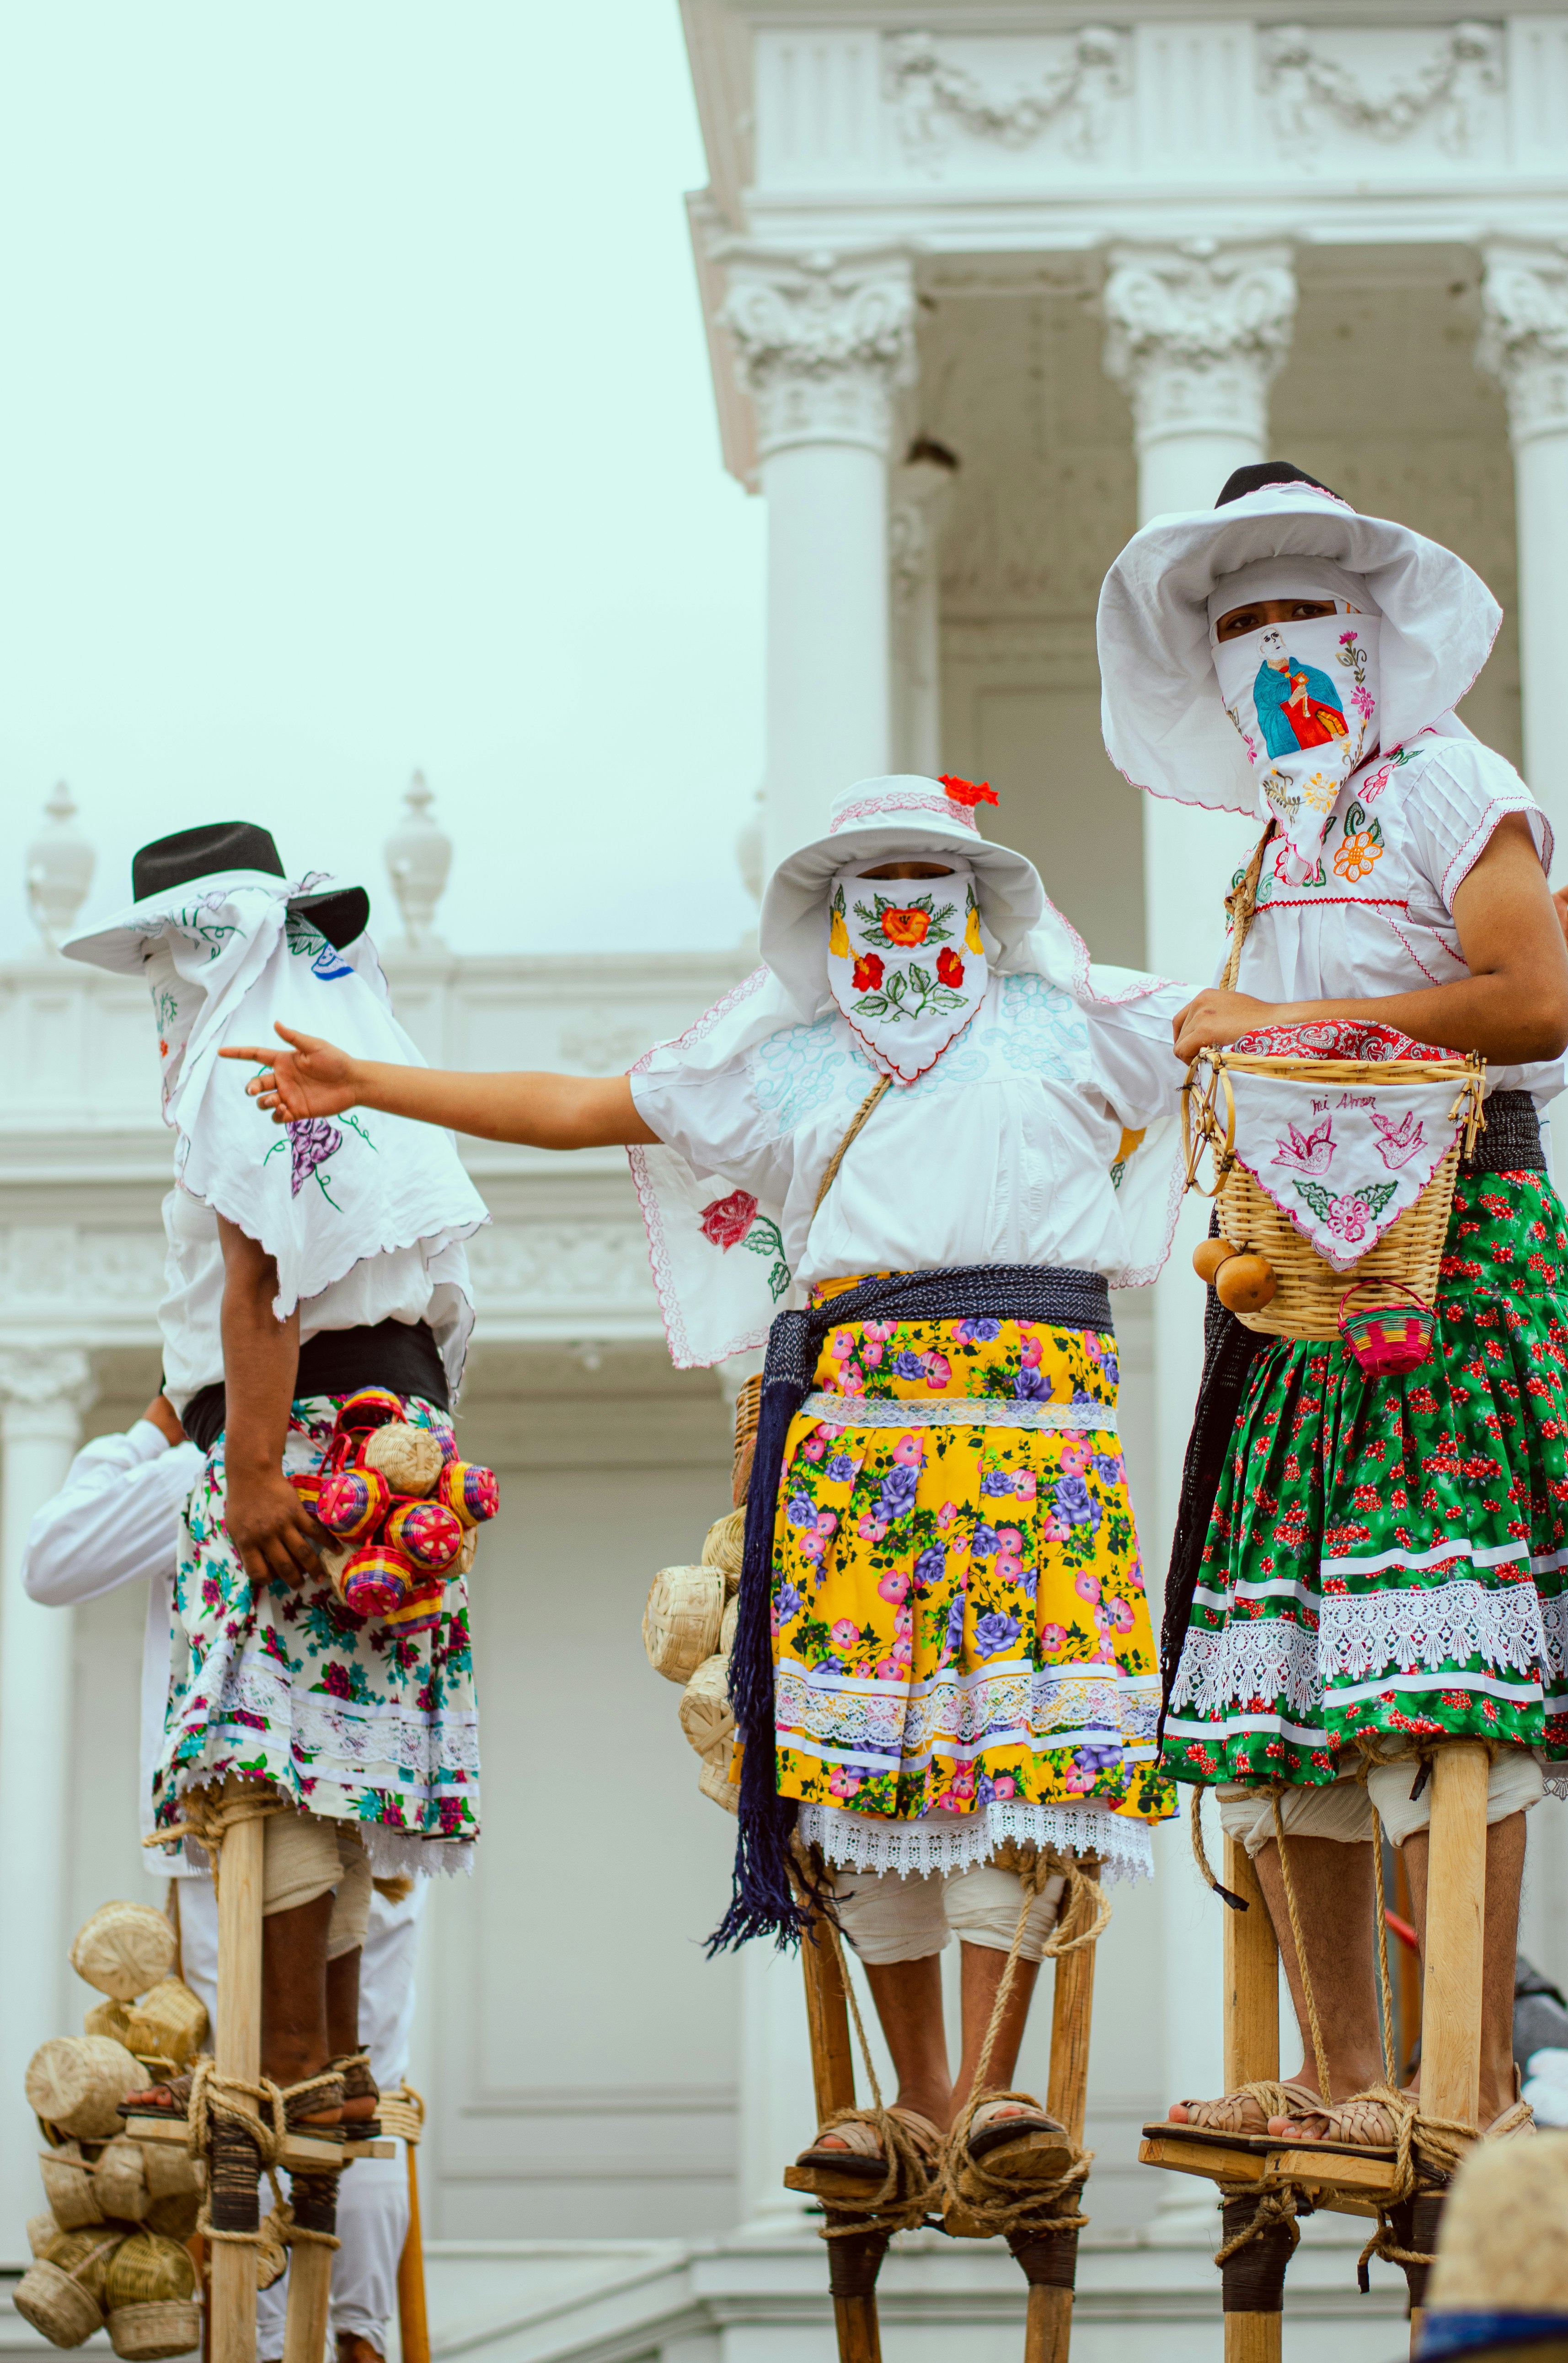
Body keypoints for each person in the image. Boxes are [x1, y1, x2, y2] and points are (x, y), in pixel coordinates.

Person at [218, 772, 1199, 2192]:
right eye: (872, 878)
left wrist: (1453, 980)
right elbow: (572, 1101)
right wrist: (369, 1079)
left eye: (930, 870)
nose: (903, 901)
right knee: (870, 1759)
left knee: (1021, 1752)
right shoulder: (789, 1062)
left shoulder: (1080, 1019)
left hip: (1037, 1434)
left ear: (985, 892)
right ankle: (917, 2096)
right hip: (859, 1439)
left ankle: (992, 2095)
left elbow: (1245, 1028)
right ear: (831, 909)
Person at [1096, 459, 1568, 2148]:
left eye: (1303, 613)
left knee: (1444, 1666)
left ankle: (1462, 2078)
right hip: (1286, 1273)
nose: (1273, 647)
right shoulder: (1274, 845)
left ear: (1367, 630)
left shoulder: (1446, 776)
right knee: (1287, 1687)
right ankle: (1347, 2073)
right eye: (1240, 623)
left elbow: (1531, 1000)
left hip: (1457, 1248)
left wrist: (1272, 1033)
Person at [62, 820, 488, 2163]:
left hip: (293, 1434)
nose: (163, 988)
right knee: (341, 1772)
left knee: (266, 1767)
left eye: (165, 954)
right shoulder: (356, 1033)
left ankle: (297, 2062)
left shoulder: (250, 1052)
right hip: (394, 1444)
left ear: (209, 941)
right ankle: (336, 2063)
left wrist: (250, 1469)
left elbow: (262, 1278)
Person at [23, 1390, 423, 2363]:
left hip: (240, 1824)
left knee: (261, 2100)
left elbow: (51, 1558)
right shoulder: (382, 1465)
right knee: (361, 2084)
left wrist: (159, 1423)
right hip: (376, 1799)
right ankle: (360, 2339)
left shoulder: (206, 1477)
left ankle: (295, 2339)